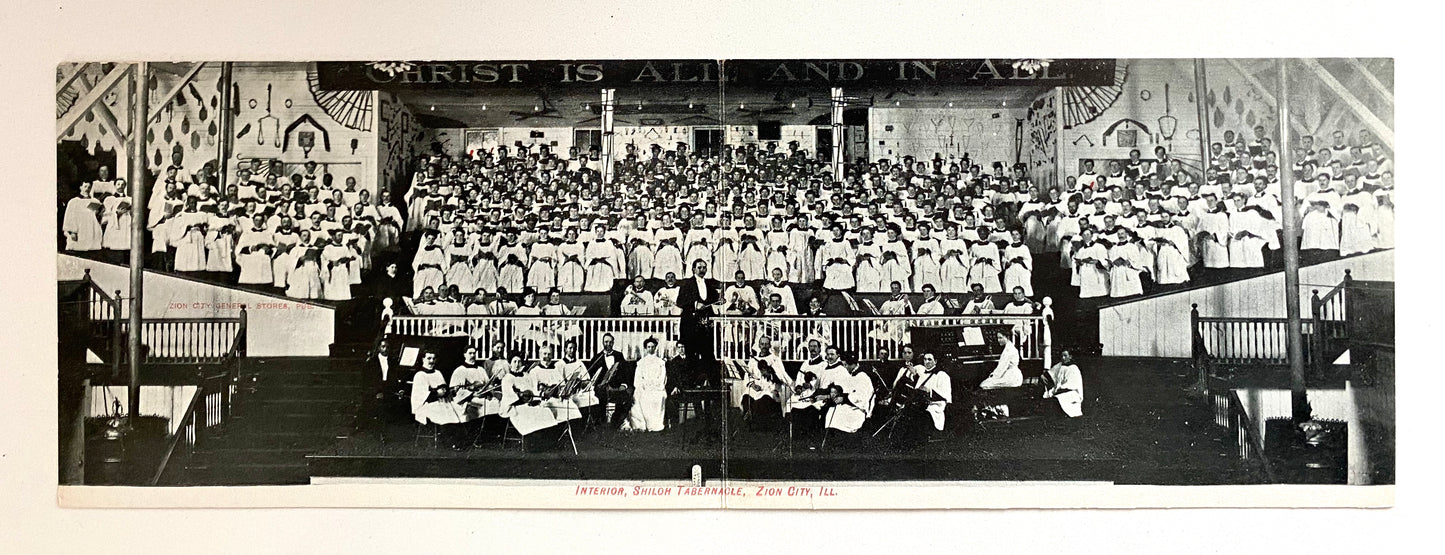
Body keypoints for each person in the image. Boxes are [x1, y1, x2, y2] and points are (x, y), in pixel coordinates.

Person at [822, 350, 875, 435]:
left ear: (853, 364)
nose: (845, 367)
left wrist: (844, 399)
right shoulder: (849, 376)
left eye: (846, 365)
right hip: (846, 405)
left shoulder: (863, 377)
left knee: (840, 419)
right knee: (831, 413)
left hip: (857, 409)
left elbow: (861, 398)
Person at [622, 337, 668, 432]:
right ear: (646, 348)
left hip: (657, 387)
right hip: (644, 387)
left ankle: (655, 425)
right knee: (640, 396)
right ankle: (642, 424)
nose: (651, 349)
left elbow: (662, 378)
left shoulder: (660, 362)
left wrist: (655, 385)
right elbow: (638, 379)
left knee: (659, 396)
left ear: (655, 348)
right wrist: (644, 385)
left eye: (652, 347)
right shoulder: (641, 362)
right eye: (648, 347)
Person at [587, 333, 631, 429]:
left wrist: (623, 385)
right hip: (602, 389)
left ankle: (615, 422)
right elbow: (591, 374)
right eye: (606, 342)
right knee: (599, 399)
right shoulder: (597, 357)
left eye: (610, 342)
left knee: (626, 398)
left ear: (613, 343)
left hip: (616, 387)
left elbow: (625, 372)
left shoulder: (619, 355)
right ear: (602, 342)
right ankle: (601, 424)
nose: (608, 344)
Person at [1040, 350, 1084, 418]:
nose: (1063, 358)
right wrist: (1043, 376)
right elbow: (1049, 374)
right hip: (1059, 390)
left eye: (1065, 356)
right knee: (1047, 399)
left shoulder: (1074, 368)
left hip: (1072, 392)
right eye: (1062, 356)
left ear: (1070, 357)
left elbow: (1071, 385)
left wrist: (1058, 391)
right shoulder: (1059, 365)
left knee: (1057, 400)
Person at [63, 183, 104, 252]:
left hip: (92, 230)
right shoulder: (74, 201)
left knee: (91, 250)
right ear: (80, 187)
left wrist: (98, 213)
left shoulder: (95, 201)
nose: (87, 189)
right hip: (79, 231)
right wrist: (72, 232)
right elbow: (69, 217)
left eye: (89, 187)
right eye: (85, 186)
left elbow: (99, 217)